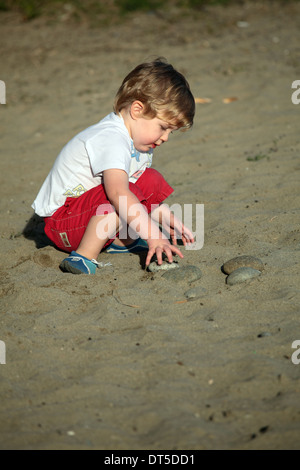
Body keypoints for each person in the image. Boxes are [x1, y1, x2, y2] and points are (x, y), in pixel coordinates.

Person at [31, 58, 196, 274]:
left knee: (150, 179)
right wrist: (153, 236)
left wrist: (163, 215)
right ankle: (83, 255)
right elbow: (119, 193)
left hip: (86, 214)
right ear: (137, 110)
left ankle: (120, 241)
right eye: (163, 127)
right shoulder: (111, 138)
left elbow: (140, 191)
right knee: (123, 194)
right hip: (63, 224)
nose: (165, 137)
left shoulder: (139, 143)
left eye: (170, 132)